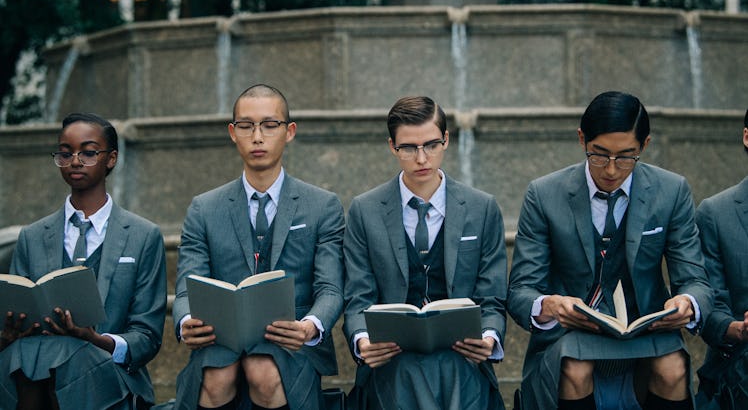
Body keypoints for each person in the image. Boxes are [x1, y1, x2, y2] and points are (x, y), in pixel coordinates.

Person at [507, 91, 713, 410]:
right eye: (599, 155)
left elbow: (696, 280)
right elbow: (520, 290)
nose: (612, 170)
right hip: (569, 333)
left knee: (672, 369)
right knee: (575, 369)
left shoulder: (671, 191)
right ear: (581, 140)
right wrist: (549, 305)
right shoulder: (544, 194)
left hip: (647, 327)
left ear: (644, 145)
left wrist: (688, 303)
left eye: (626, 156)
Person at [172, 84, 345, 410]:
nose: (257, 136)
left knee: (264, 372)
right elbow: (186, 289)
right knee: (217, 376)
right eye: (246, 126)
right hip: (220, 340)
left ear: (289, 131)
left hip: (293, 341)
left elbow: (331, 289)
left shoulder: (322, 206)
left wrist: (310, 326)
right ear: (232, 132)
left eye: (269, 125)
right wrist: (185, 323)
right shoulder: (204, 208)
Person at [343, 96, 507, 409]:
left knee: (454, 370)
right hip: (393, 358)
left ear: (446, 140)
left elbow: (493, 296)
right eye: (408, 147)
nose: (421, 158)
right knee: (407, 375)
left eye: (431, 144)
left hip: (462, 355)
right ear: (392, 146)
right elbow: (357, 297)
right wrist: (364, 340)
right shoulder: (365, 211)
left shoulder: (481, 208)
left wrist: (487, 337)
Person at [0, 112, 167, 410]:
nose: (75, 160)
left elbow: (147, 337)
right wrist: (10, 333)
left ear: (111, 159)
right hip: (35, 365)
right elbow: (18, 309)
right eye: (65, 153)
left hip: (111, 373)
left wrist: (95, 338)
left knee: (62, 354)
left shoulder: (144, 236)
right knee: (21, 353)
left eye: (88, 152)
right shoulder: (32, 236)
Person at [694, 109, 748, 409]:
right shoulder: (715, 213)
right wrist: (738, 329)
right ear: (747, 137)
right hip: (739, 364)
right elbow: (709, 309)